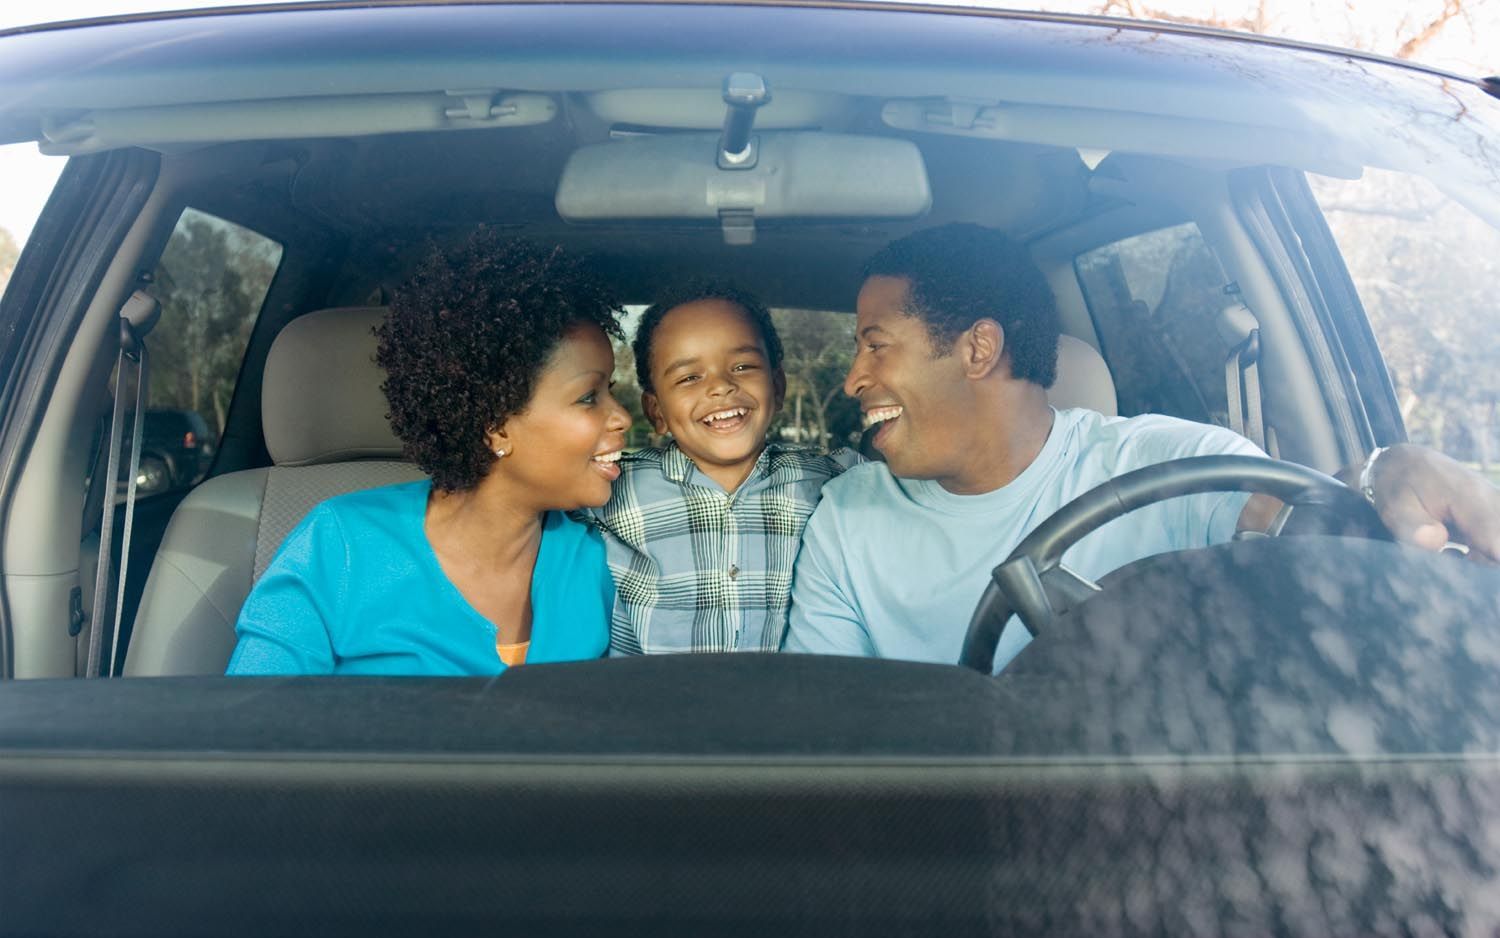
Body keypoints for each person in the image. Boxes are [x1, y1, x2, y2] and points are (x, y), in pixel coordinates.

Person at [784, 223, 1500, 671]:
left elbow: (1298, 521)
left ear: (978, 349)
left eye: (874, 346)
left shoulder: (1169, 466)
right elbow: (824, 732)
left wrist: (1388, 471)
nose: (852, 378)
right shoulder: (847, 518)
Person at [228, 233, 630, 675]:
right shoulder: (339, 545)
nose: (622, 418)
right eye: (589, 397)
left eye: (610, 391)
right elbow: (250, 723)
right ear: (495, 425)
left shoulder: (600, 558)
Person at [589, 284, 855, 655]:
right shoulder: (614, 488)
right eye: (689, 377)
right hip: (645, 707)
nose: (721, 387)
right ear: (656, 412)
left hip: (784, 707)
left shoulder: (830, 480)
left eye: (743, 366)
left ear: (777, 387)